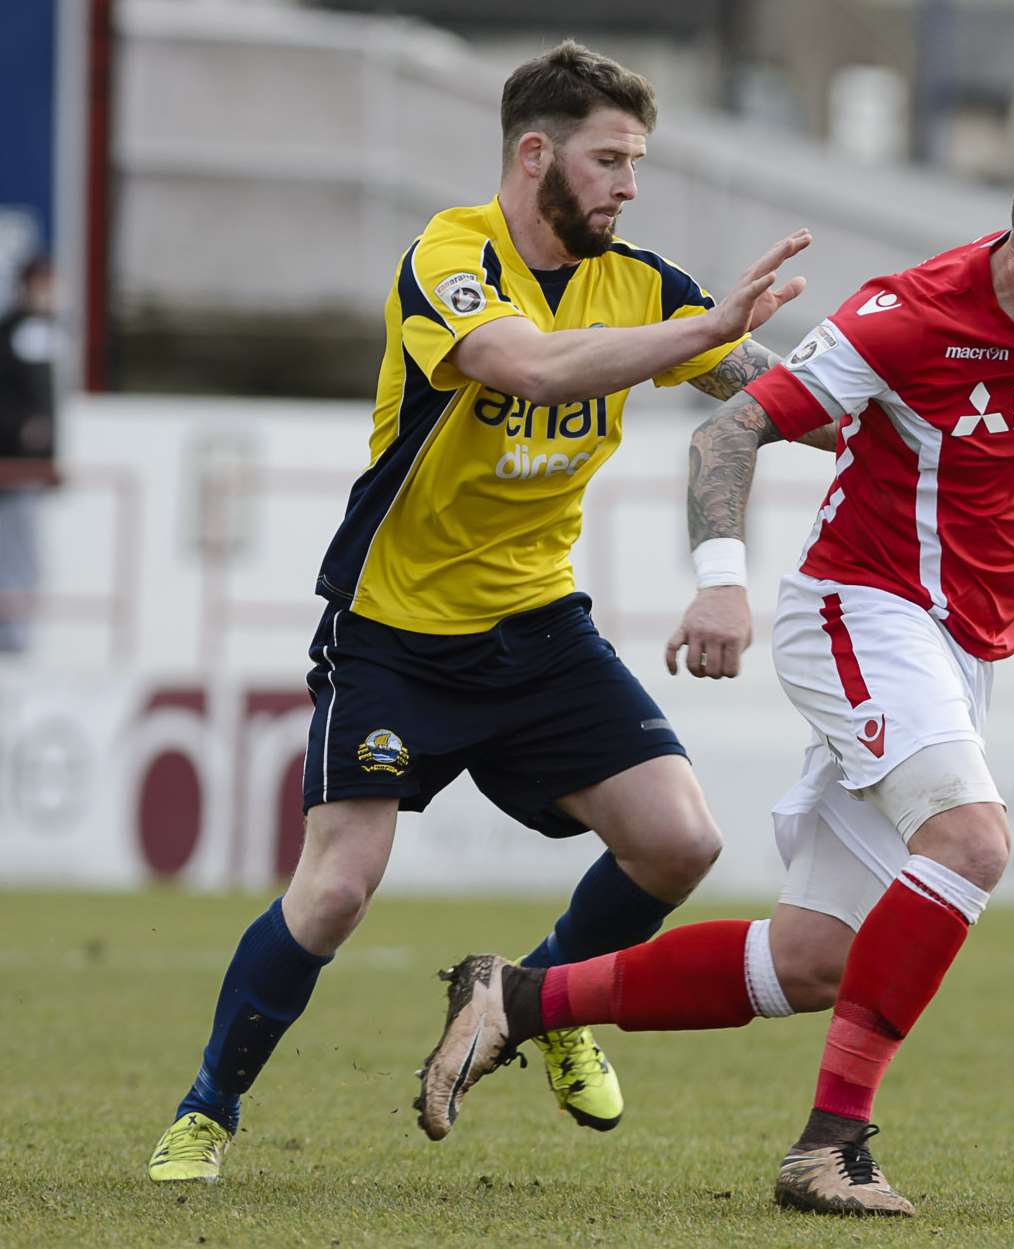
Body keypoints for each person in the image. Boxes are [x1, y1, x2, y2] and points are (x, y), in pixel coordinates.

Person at [415, 118, 1014, 1217]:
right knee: (971, 840)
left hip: (959, 649)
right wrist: (718, 578)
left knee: (810, 963)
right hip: (861, 611)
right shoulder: (909, 315)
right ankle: (830, 1146)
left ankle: (517, 998)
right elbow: (727, 433)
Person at [146, 40, 817, 1182]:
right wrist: (701, 336)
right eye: (608, 160)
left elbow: (768, 388)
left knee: (679, 839)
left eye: (636, 163)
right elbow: (528, 367)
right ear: (533, 153)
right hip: (394, 631)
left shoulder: (644, 286)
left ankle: (527, 1004)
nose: (626, 185)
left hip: (540, 627)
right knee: (339, 885)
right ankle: (207, 1110)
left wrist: (895, 393)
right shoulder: (449, 257)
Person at [0, 254, 58, 654]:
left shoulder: (39, 331)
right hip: (14, 466)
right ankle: (11, 641)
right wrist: (21, 432)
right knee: (17, 556)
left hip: (28, 467)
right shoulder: (19, 331)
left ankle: (15, 638)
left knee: (27, 557)